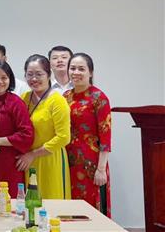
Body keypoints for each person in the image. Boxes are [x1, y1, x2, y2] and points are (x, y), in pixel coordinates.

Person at [64, 53, 112, 216]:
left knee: (90, 207)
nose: (76, 72)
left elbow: (105, 136)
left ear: (90, 72)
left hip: (91, 163)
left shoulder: (99, 98)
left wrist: (101, 169)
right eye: (72, 68)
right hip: (67, 159)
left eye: (81, 69)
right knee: (69, 205)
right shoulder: (65, 96)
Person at [18, 54, 71, 199]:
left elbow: (64, 137)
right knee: (30, 202)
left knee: (52, 202)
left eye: (39, 74)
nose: (34, 79)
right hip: (28, 161)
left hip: (50, 158)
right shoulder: (24, 98)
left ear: (48, 75)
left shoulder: (57, 101)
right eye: (29, 74)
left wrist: (33, 154)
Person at [0, 60, 34, 198]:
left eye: (4, 77)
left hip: (8, 163)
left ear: (10, 79)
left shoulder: (16, 102)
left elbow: (27, 135)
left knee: (8, 202)